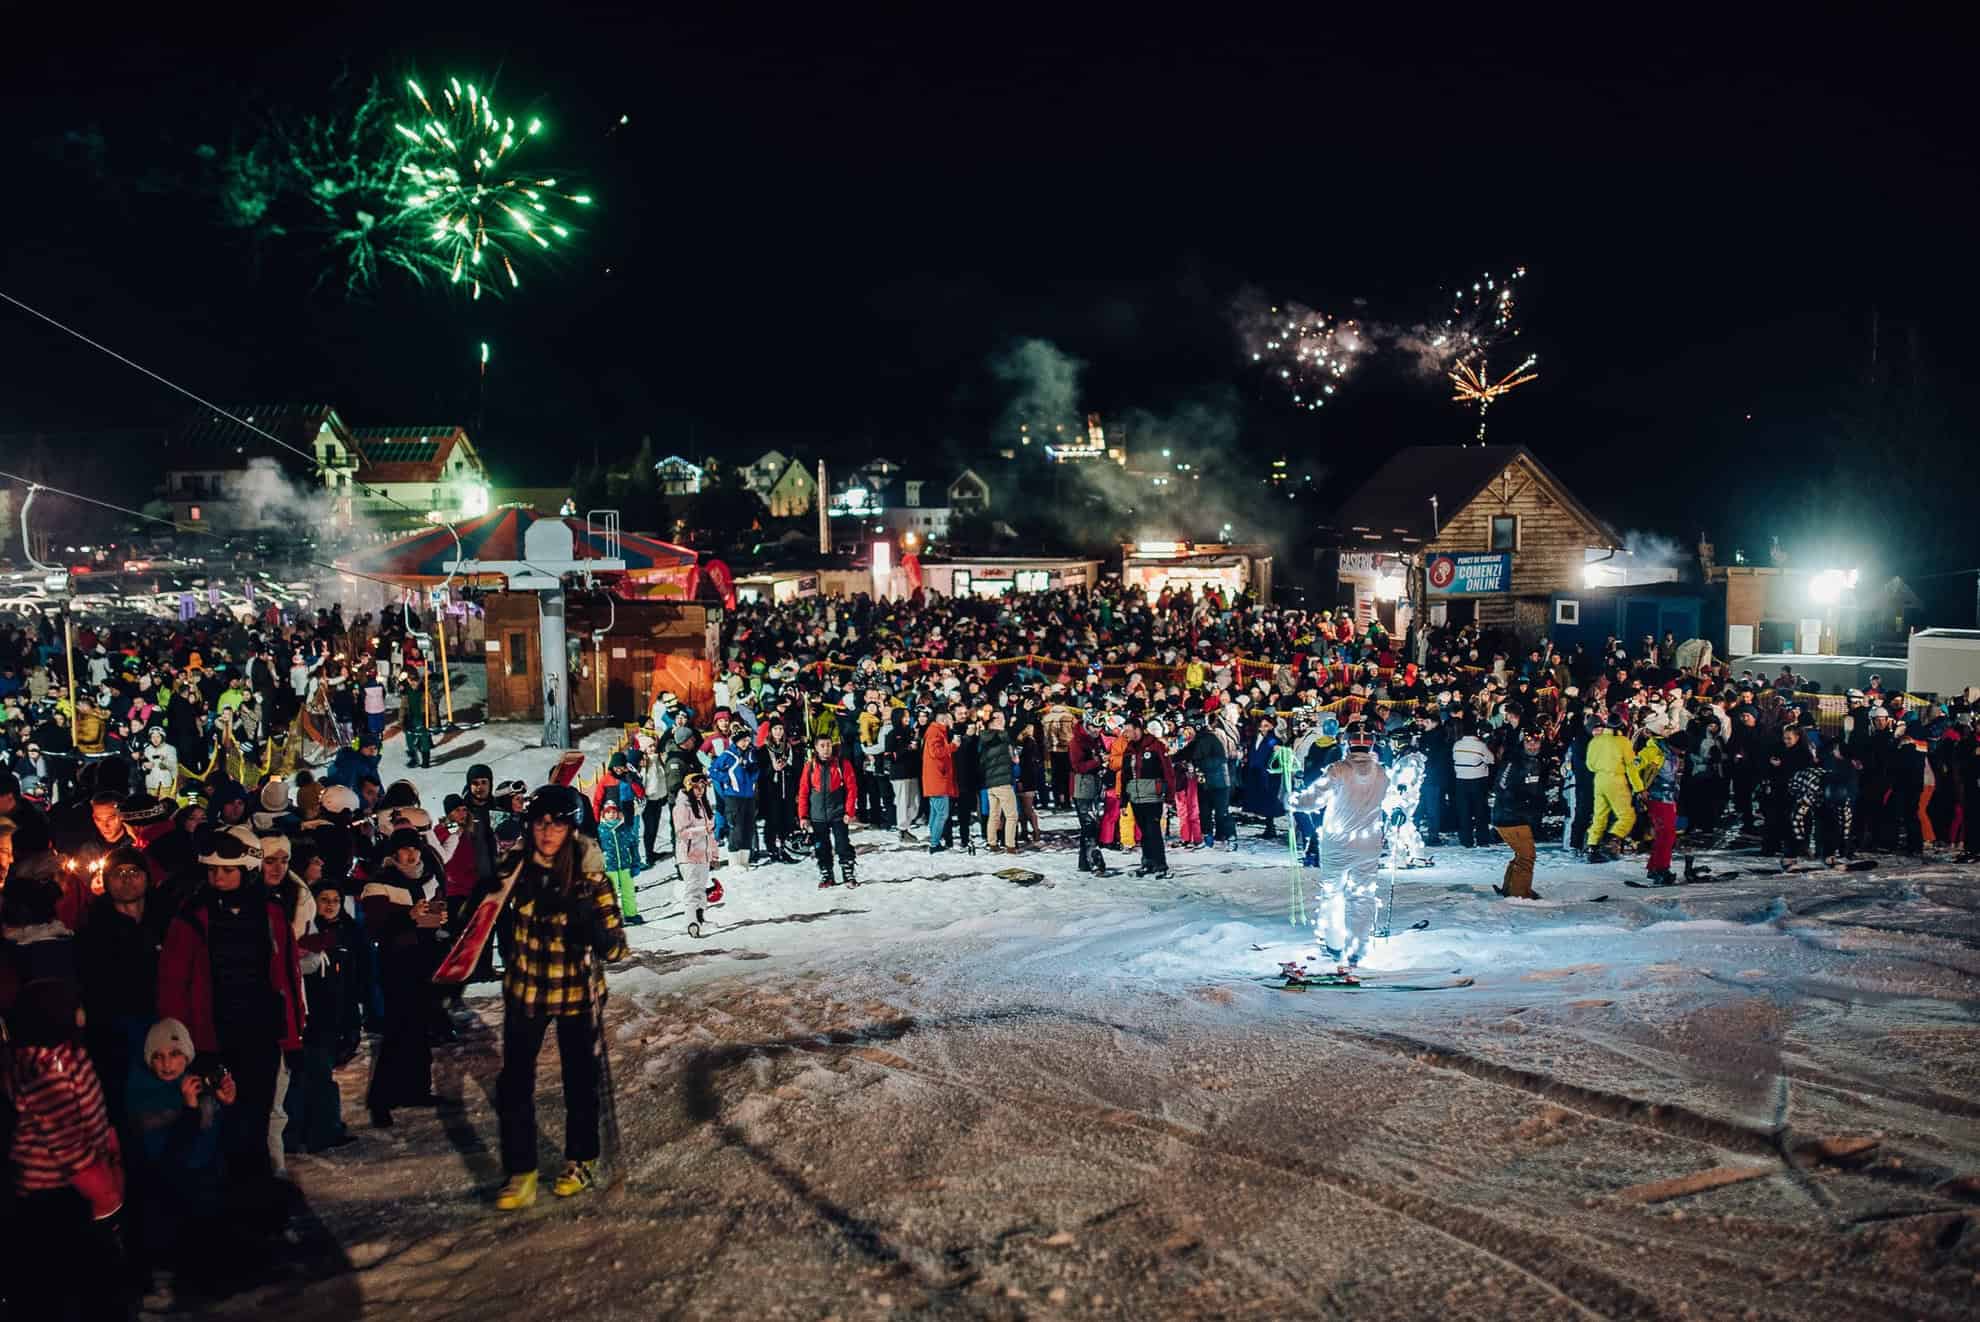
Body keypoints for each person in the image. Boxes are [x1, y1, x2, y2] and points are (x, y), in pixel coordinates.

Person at [488, 785, 628, 1210]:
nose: (548, 832)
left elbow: (618, 946)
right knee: (513, 1083)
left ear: (571, 828)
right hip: (527, 989)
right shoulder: (515, 868)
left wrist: (595, 931)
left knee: (579, 1080)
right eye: (541, 823)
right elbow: (486, 911)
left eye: (557, 824)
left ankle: (580, 1158)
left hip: (575, 992)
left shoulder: (589, 876)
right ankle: (521, 1169)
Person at [155, 829, 303, 1214]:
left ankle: (256, 1202)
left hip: (260, 1034)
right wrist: (182, 1042)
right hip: (213, 1038)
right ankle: (228, 1209)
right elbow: (174, 982)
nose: (217, 879)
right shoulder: (192, 916)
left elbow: (286, 975)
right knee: (221, 1126)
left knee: (256, 1119)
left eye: (227, 871)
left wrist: (292, 1033)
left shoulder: (269, 911)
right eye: (213, 871)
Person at [3, 976, 129, 1321]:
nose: (81, 1012)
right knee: (66, 1284)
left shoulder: (68, 1052)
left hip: (78, 1184)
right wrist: (105, 1189)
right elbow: (67, 1142)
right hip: (56, 1192)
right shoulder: (43, 1070)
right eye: (73, 1006)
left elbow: (88, 1112)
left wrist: (107, 1139)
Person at [123, 1017, 233, 1311]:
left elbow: (220, 1143)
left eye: (174, 1054)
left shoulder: (196, 1085)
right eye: (158, 1056)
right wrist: (189, 1110)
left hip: (204, 1188)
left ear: (187, 1055)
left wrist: (227, 1104)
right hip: (171, 1199)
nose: (167, 1064)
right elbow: (172, 1157)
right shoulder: (144, 1095)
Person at [76, 844, 170, 1129]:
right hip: (115, 1028)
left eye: (134, 872)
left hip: (161, 1018)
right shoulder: (93, 926)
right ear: (106, 880)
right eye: (118, 873)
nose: (127, 879)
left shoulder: (165, 918)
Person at [358, 826, 446, 1127]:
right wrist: (407, 917)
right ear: (394, 853)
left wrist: (438, 919)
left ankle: (417, 1088)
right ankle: (380, 1099)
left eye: (415, 848)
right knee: (396, 1031)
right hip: (395, 964)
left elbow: (435, 915)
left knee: (421, 1027)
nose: (411, 854)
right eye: (405, 849)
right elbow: (374, 926)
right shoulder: (379, 884)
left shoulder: (428, 877)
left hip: (424, 960)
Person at [1307, 723, 1390, 981]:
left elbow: (1314, 799)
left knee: (1332, 891)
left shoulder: (1338, 770)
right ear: (1371, 744)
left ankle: (1333, 943)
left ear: (1347, 742)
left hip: (1338, 842)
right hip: (1368, 843)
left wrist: (1292, 800)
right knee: (1363, 894)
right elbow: (1392, 800)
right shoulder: (1381, 772)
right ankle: (1358, 946)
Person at [287, 878, 360, 1154]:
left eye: (335, 901)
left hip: (333, 1015)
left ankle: (318, 1129)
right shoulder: (305, 933)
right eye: (324, 900)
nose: (330, 906)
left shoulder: (348, 932)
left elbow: (353, 981)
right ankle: (317, 1132)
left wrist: (353, 1019)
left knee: (320, 1073)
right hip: (310, 1016)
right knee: (311, 1076)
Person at [1490, 728, 1549, 898]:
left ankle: (1511, 888)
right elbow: (1500, 786)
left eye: (1536, 742)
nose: (1532, 746)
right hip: (1509, 816)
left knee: (1522, 854)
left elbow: (1536, 789)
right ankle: (1519, 893)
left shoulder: (1538, 761)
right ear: (1522, 743)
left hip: (1521, 816)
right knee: (1526, 856)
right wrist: (1520, 803)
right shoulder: (1514, 761)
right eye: (1528, 742)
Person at [1117, 714, 1177, 878]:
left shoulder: (1156, 746)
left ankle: (1161, 865)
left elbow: (1168, 772)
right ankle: (1148, 862)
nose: (1126, 734)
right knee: (1144, 832)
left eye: (1129, 731)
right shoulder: (1129, 749)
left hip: (1153, 796)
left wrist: (1169, 797)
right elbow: (1125, 776)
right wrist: (1123, 801)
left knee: (1153, 830)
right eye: (1125, 731)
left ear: (1138, 730)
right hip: (1135, 796)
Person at [797, 734, 861, 888]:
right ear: (816, 748)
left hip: (838, 813)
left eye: (828, 745)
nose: (826, 749)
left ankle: (848, 872)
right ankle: (826, 873)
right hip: (817, 814)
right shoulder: (810, 766)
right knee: (822, 846)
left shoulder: (842, 764)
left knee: (842, 844)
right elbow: (804, 791)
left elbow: (852, 788)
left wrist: (849, 811)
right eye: (822, 746)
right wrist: (803, 816)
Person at [1584, 712, 1644, 861]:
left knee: (1599, 816)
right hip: (1616, 779)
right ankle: (1612, 841)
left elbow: (1589, 765)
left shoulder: (1595, 741)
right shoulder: (1623, 742)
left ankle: (1592, 848)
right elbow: (1631, 767)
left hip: (1599, 779)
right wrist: (1639, 788)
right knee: (1627, 816)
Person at [1636, 711, 1684, 884]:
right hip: (1656, 797)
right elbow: (1632, 767)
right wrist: (1640, 789)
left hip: (1668, 797)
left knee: (1666, 834)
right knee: (1667, 834)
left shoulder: (1671, 754)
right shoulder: (1653, 751)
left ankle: (1656, 866)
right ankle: (1660, 868)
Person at [673, 773, 719, 931]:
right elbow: (682, 832)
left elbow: (711, 834)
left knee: (701, 888)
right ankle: (691, 920)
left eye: (703, 787)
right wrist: (702, 830)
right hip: (689, 855)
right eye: (696, 787)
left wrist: (714, 854)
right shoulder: (682, 806)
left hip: (703, 855)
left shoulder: (703, 805)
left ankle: (700, 917)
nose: (700, 790)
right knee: (692, 889)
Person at [1067, 711, 1112, 874]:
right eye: (1093, 727)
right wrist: (1098, 760)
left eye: (1099, 728)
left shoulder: (1096, 739)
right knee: (1089, 825)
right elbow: (1077, 766)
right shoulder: (1076, 742)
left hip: (1095, 783)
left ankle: (1084, 862)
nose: (1096, 730)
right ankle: (1094, 860)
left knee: (1091, 825)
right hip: (1081, 785)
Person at [711, 725, 760, 869]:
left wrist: (753, 773)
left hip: (749, 796)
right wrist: (727, 778)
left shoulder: (751, 754)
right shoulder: (728, 755)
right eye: (743, 740)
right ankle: (734, 861)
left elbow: (756, 771)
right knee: (736, 828)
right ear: (736, 741)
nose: (746, 743)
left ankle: (744, 860)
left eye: (748, 739)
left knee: (748, 827)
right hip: (734, 797)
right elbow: (713, 770)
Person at [596, 799, 643, 925]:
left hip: (625, 865)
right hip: (609, 867)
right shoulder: (600, 830)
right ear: (603, 815)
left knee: (628, 891)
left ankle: (631, 914)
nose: (611, 814)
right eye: (608, 812)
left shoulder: (624, 828)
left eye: (614, 812)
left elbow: (633, 844)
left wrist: (636, 862)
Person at [978, 707, 1018, 852]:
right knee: (1012, 815)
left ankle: (993, 843)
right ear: (991, 722)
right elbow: (1015, 731)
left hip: (991, 783)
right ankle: (1010, 845)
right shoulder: (1000, 736)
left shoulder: (985, 737)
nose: (1002, 720)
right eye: (997, 718)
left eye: (1002, 717)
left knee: (994, 815)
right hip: (1002, 782)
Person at [1450, 719, 1494, 848]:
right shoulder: (1480, 745)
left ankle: (1466, 840)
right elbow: (1491, 759)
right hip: (1478, 780)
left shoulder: (1457, 745)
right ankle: (1482, 839)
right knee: (1480, 811)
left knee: (1464, 811)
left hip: (1460, 781)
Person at [921, 706, 957, 855]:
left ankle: (934, 840)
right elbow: (936, 752)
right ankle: (934, 844)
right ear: (943, 719)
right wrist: (953, 746)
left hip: (935, 779)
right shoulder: (935, 732)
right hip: (937, 780)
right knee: (942, 814)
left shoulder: (934, 730)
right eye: (950, 718)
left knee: (935, 813)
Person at [885, 708, 922, 844]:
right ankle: (902, 829)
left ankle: (907, 824)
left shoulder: (911, 733)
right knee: (903, 801)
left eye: (908, 716)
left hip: (913, 772)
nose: (907, 719)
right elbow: (889, 756)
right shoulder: (892, 734)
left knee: (915, 802)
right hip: (899, 774)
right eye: (904, 716)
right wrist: (906, 749)